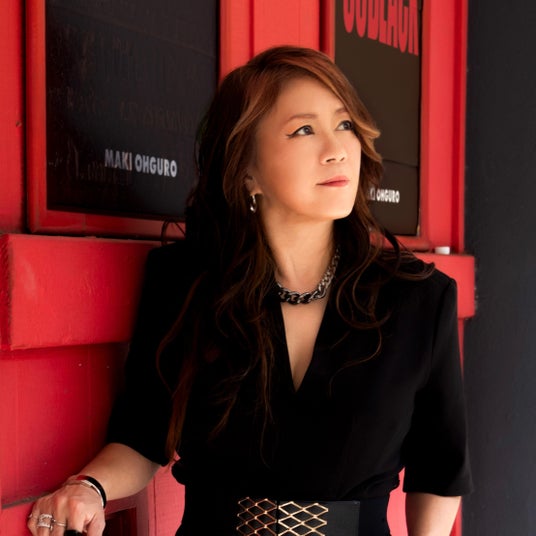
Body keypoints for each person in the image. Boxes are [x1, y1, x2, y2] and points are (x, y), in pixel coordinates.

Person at [27, 45, 472, 536]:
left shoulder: (417, 299)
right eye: (304, 130)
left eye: (345, 124)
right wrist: (90, 487)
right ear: (247, 171)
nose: (338, 148)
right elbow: (143, 434)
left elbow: (439, 469)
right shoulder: (186, 282)